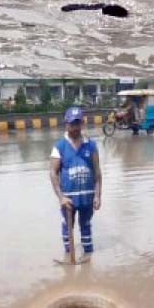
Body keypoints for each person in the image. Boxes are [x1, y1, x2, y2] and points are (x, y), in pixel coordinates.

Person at [49, 107, 102, 263]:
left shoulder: (91, 146)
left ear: (82, 123)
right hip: (68, 200)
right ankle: (68, 255)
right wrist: (61, 197)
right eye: (72, 124)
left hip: (87, 197)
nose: (75, 127)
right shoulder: (59, 146)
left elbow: (97, 172)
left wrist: (98, 195)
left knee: (86, 227)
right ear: (66, 124)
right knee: (68, 227)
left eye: (78, 123)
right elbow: (53, 173)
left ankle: (88, 258)